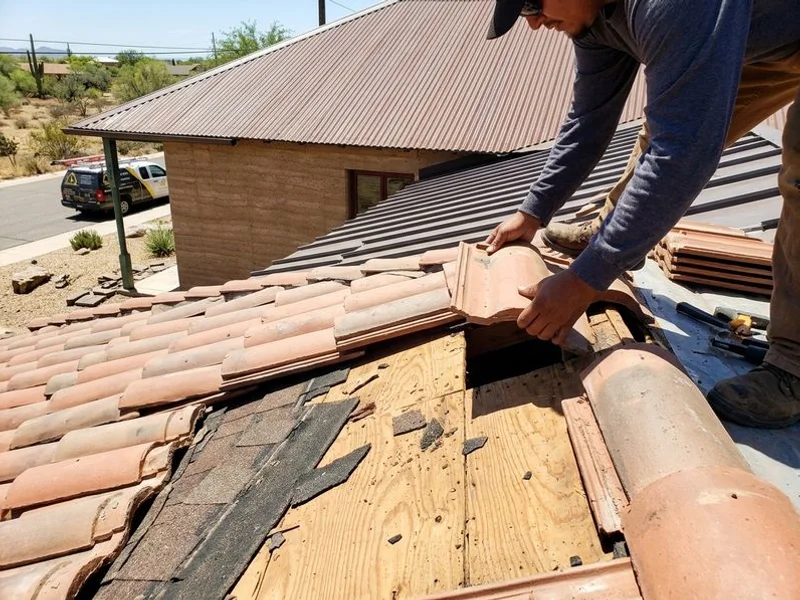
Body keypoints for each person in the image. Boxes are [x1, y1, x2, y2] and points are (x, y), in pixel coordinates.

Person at [483, 0, 800, 428]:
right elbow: (589, 121)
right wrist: (533, 211)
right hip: (771, 40)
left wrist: (584, 280)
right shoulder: (589, 19)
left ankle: (793, 367)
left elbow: (684, 154)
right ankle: (613, 233)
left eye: (534, 5)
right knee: (671, 116)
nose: (536, 24)